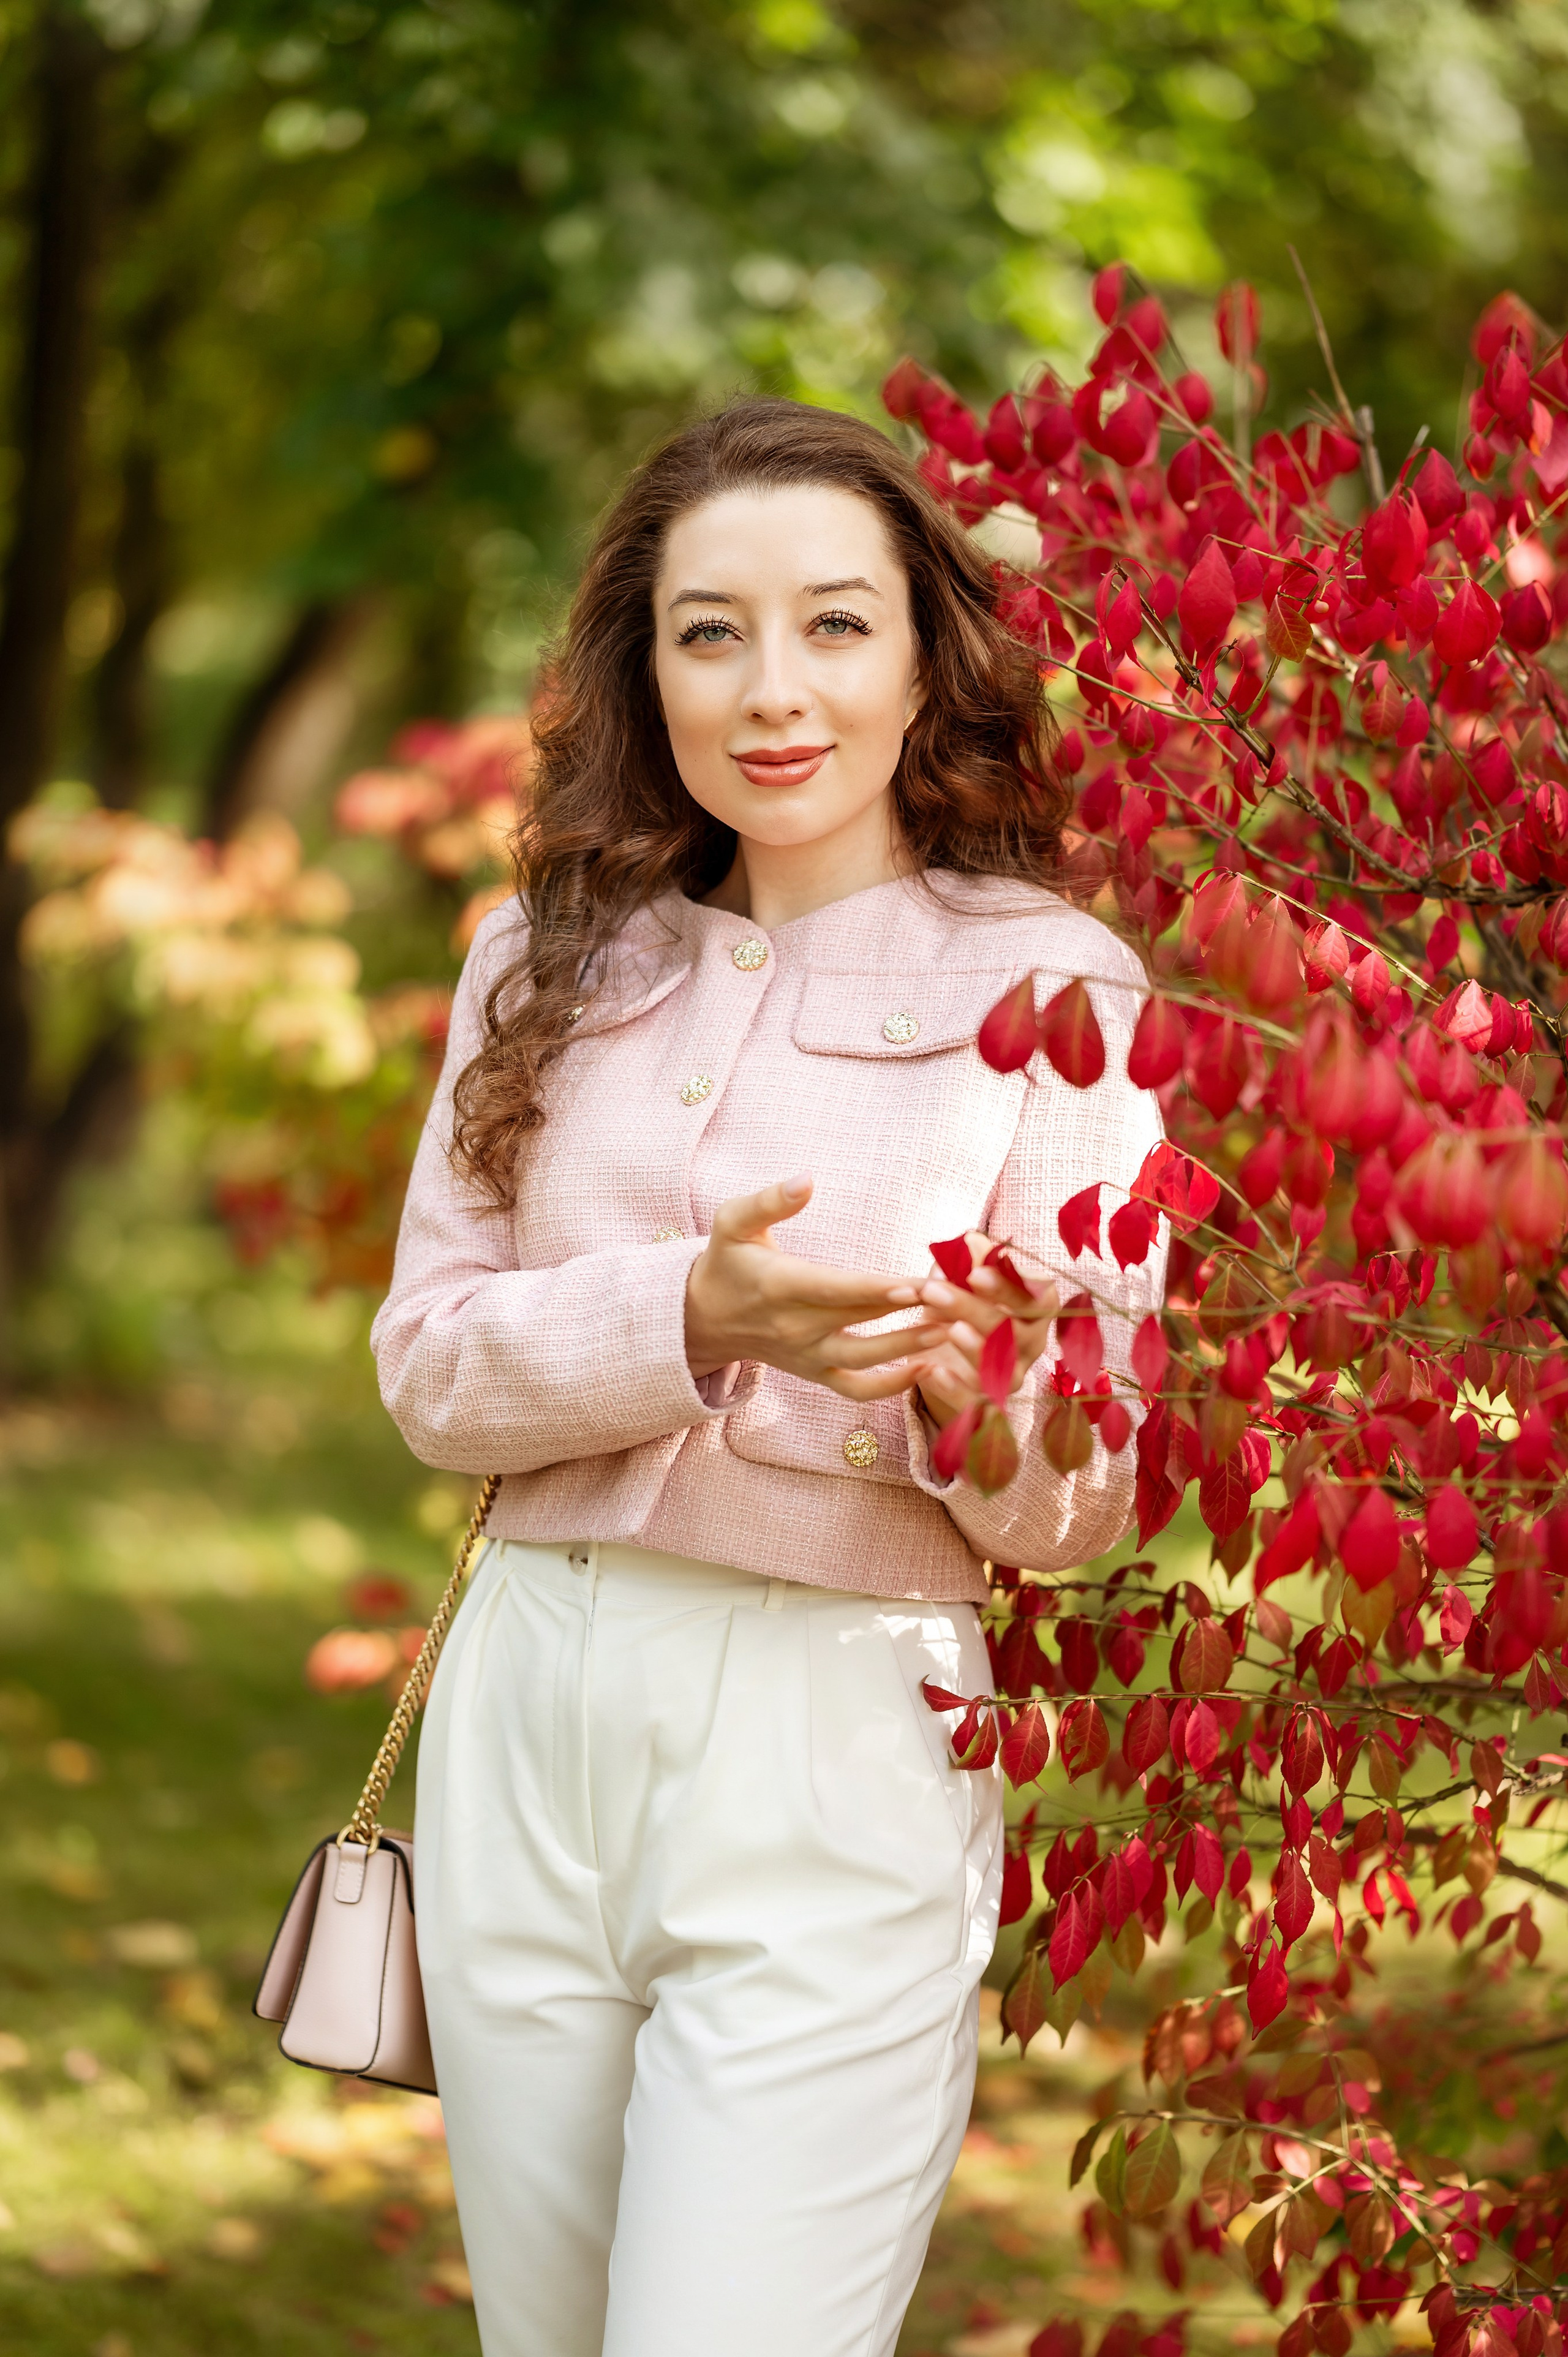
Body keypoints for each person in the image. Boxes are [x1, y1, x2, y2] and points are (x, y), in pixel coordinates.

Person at [371, 395, 1164, 2357]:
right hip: (526, 1708)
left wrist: (960, 1386)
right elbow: (431, 1375)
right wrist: (694, 1317)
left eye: (833, 623)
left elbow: (1087, 1509)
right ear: (647, 671)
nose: (770, 688)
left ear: (925, 658)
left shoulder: (1057, 987)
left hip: (836, 1725)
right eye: (708, 629)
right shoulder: (537, 962)